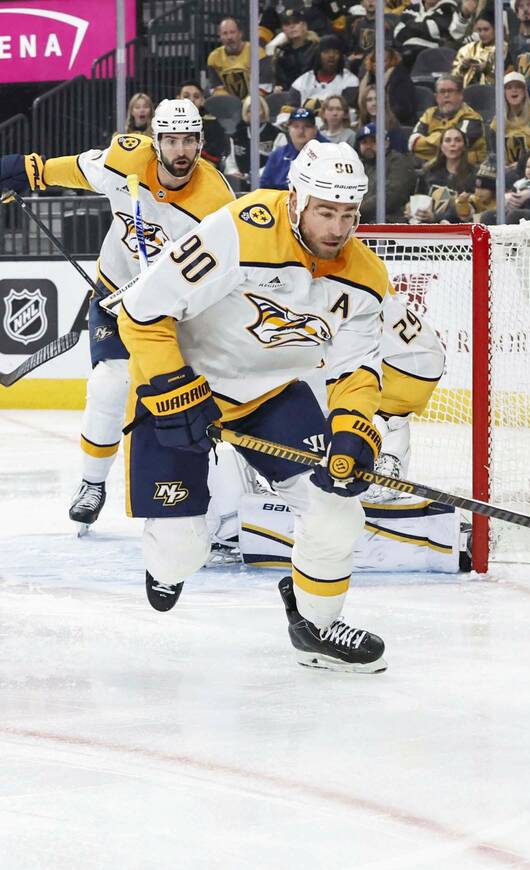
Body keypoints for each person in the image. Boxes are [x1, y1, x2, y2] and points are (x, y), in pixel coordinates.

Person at [114, 142, 390, 672]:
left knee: (335, 509)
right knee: (183, 549)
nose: (337, 229)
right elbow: (142, 311)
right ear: (297, 200)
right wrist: (172, 389)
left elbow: (356, 368)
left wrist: (354, 430)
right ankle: (167, 564)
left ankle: (316, 624)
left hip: (270, 395)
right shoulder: (240, 230)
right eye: (325, 212)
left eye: (348, 215)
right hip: (179, 390)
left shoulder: (366, 278)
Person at [0, 101, 235, 530]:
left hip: (174, 309)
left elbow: (223, 275)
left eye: (189, 140)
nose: (180, 150)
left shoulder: (216, 203)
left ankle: (219, 499)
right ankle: (92, 483)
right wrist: (24, 169)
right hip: (116, 291)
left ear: (201, 143)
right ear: (156, 140)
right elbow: (71, 169)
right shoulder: (124, 160)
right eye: (171, 140)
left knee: (198, 399)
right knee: (110, 382)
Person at [408, 75, 487, 165]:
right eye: (442, 92)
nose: (446, 95)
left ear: (460, 95)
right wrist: (441, 140)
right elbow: (414, 144)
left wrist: (431, 141)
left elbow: (455, 148)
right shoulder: (429, 114)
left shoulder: (472, 118)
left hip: (466, 171)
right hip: (434, 172)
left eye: (450, 91)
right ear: (436, 97)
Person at [409, 126, 478, 222]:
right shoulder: (429, 172)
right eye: (448, 140)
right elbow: (419, 198)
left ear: (464, 147)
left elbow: (467, 212)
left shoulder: (474, 174)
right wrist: (410, 207)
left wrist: (435, 218)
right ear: (441, 146)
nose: (452, 144)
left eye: (458, 140)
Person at [261, 107, 326, 189]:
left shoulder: (327, 153)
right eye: (296, 126)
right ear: (289, 129)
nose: (301, 131)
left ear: (315, 129)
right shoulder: (277, 155)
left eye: (307, 126)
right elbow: (263, 186)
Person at [206, 18, 269, 100]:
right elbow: (216, 88)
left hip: (255, 104)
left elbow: (264, 86)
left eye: (232, 32)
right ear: (220, 36)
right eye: (225, 33)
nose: (229, 37)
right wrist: (231, 104)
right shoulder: (214, 58)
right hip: (228, 107)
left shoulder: (258, 53)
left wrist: (247, 103)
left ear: (240, 33)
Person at [358, 123, 411, 221]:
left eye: (374, 141)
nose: (368, 146)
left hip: (391, 221)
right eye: (364, 142)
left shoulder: (398, 162)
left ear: (386, 143)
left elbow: (392, 197)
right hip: (360, 219)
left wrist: (355, 210)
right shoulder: (359, 165)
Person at [291, 35, 360, 105]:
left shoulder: (350, 81)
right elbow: (287, 111)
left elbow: (349, 111)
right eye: (326, 52)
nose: (331, 55)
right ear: (318, 55)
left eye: (336, 52)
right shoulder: (302, 82)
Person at [179, 82, 231, 169]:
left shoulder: (213, 125)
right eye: (186, 96)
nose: (191, 100)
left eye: (196, 97)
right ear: (177, 99)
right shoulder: (165, 124)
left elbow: (215, 155)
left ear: (202, 101)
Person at [393, 0, 458, 68]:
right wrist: (423, 25)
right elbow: (397, 32)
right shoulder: (411, 9)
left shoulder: (448, 8)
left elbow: (434, 29)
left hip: (432, 57)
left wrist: (409, 27)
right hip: (405, 54)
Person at [493, 72, 530, 171]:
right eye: (509, 88)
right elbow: (494, 152)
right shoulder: (497, 122)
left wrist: (522, 164)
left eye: (518, 86)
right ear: (503, 93)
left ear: (525, 91)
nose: (514, 90)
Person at [272, 8, 320, 92]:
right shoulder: (281, 51)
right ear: (283, 29)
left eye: (296, 22)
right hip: (288, 95)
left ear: (304, 26)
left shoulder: (316, 48)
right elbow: (279, 79)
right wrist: (278, 87)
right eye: (287, 24)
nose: (292, 26)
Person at [453, 11, 497, 88]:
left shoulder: (504, 49)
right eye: (479, 30)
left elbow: (507, 76)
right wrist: (463, 67)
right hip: (467, 93)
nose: (482, 34)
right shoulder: (467, 49)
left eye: (486, 29)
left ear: (495, 29)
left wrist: (487, 69)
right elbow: (454, 77)